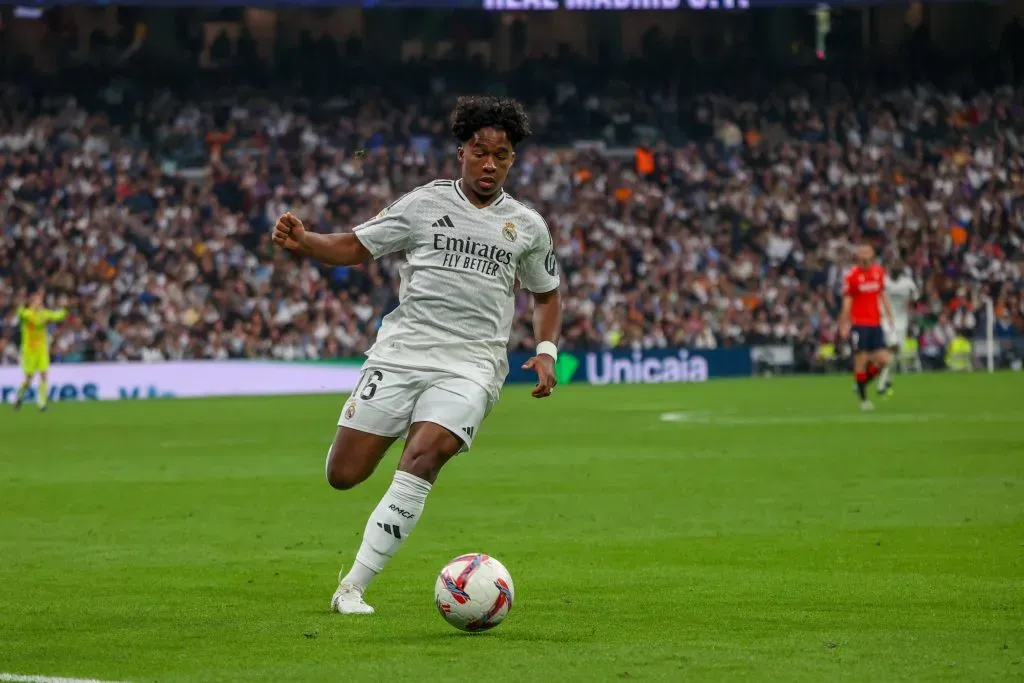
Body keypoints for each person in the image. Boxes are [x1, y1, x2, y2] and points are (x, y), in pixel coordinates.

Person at [271, 95, 562, 615]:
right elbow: (355, 246)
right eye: (480, 152)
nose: (489, 164)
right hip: (402, 354)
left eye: (501, 155)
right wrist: (305, 241)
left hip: (472, 365)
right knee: (343, 474)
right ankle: (403, 423)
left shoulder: (527, 225)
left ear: (512, 160)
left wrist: (546, 351)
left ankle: (352, 587)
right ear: (461, 152)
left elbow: (546, 293)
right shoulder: (423, 204)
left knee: (424, 456)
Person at [839, 244, 895, 411]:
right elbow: (847, 302)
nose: (864, 255)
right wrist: (844, 324)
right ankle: (864, 400)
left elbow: (882, 294)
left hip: (876, 323)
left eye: (867, 252)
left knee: (885, 360)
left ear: (872, 255)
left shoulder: (878, 272)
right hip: (859, 324)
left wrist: (889, 314)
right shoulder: (852, 276)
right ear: (857, 256)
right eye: (861, 252)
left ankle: (860, 384)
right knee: (861, 361)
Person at [13, 291, 68, 412]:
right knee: (29, 378)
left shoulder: (44, 313)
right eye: (36, 301)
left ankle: (42, 403)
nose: (39, 303)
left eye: (40, 301)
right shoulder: (27, 314)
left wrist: (64, 307)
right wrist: (21, 304)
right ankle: (19, 397)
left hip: (42, 350)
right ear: (31, 303)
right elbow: (20, 312)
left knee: (44, 374)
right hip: (29, 351)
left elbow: (59, 316)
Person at [878, 262, 919, 394]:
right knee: (892, 348)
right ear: (890, 270)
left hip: (902, 321)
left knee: (896, 352)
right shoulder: (883, 281)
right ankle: (881, 383)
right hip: (886, 320)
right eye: (893, 268)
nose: (894, 271)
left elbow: (916, 298)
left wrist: (912, 306)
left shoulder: (908, 283)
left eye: (897, 268)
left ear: (901, 270)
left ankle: (888, 378)